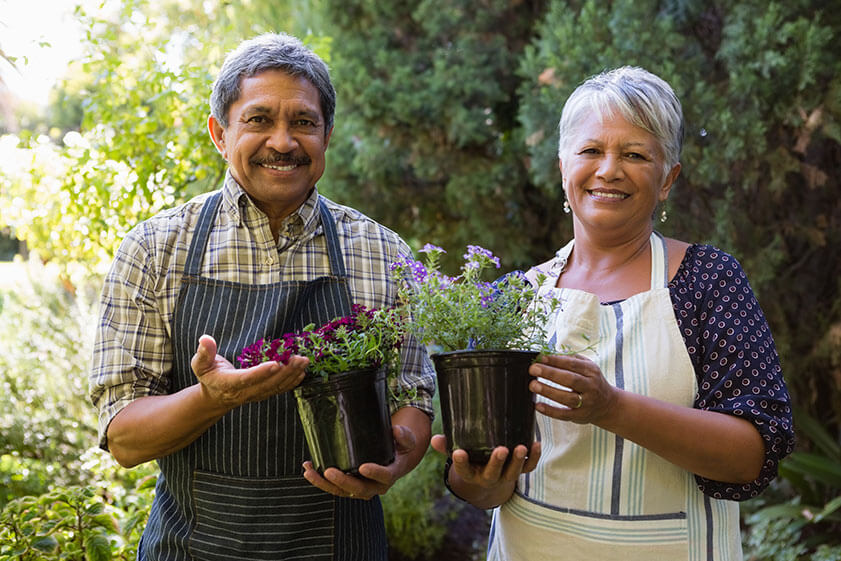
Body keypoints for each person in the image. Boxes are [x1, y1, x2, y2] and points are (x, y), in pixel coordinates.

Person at [89, 33, 435, 561]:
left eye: (303, 122)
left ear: (327, 135)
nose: (283, 141)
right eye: (258, 120)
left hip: (341, 546)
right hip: (191, 547)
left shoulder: (381, 251)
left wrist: (396, 462)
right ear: (220, 134)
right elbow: (124, 438)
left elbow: (413, 396)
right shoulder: (156, 249)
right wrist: (212, 398)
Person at [432, 66, 795, 560]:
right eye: (590, 151)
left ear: (667, 178)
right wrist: (479, 479)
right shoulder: (516, 296)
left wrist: (611, 408)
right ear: (563, 167)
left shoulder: (707, 281)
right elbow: (484, 490)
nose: (608, 170)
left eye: (635, 154)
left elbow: (754, 455)